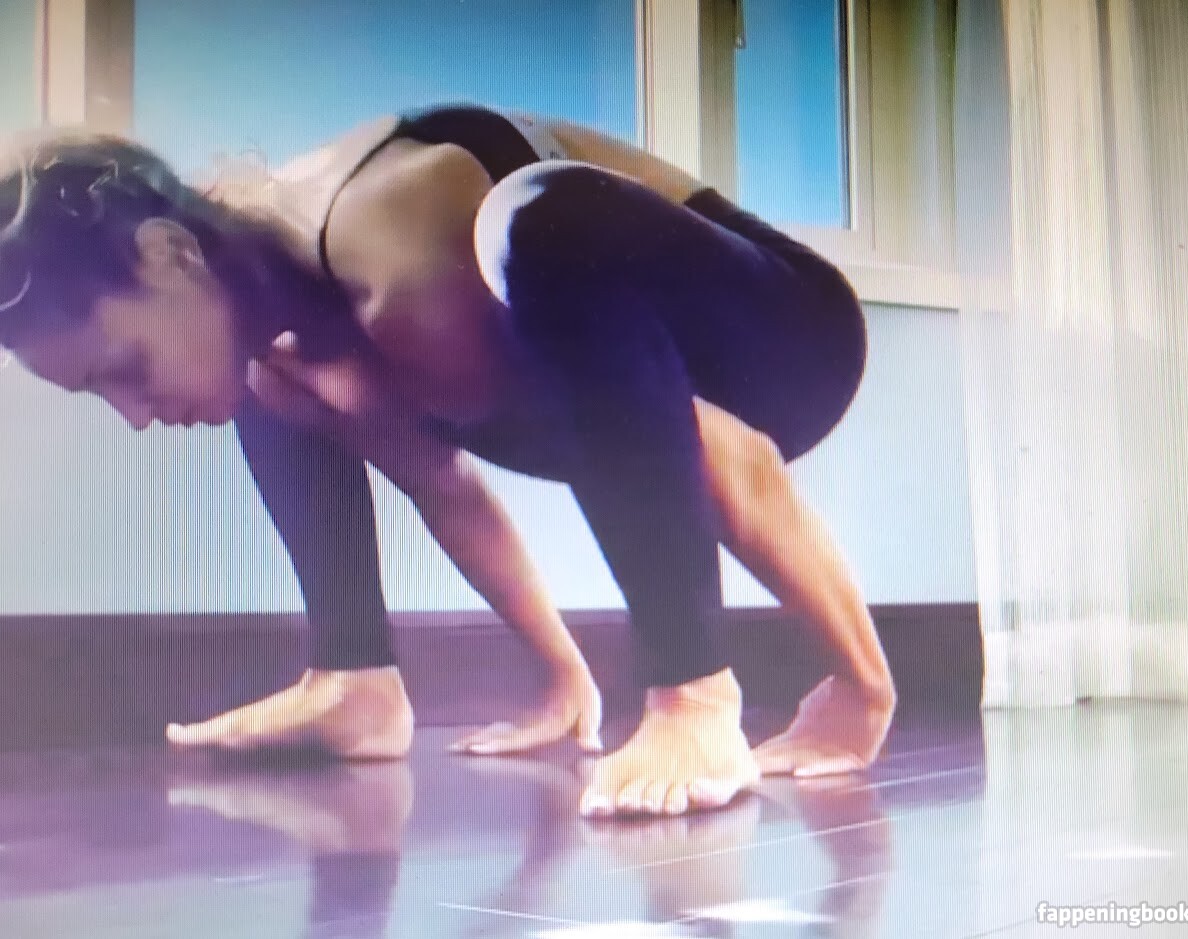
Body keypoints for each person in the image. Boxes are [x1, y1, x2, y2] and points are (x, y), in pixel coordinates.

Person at [0, 104, 897, 817]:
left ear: (168, 252)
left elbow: (725, 450)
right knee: (267, 379)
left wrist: (854, 688)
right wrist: (564, 677)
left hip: (788, 338)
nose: (134, 416)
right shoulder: (292, 329)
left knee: (538, 218)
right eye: (96, 392)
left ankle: (696, 690)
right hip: (626, 380)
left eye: (124, 369)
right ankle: (353, 679)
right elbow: (446, 487)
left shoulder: (396, 254)